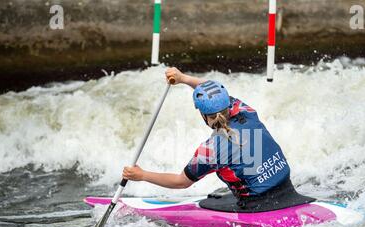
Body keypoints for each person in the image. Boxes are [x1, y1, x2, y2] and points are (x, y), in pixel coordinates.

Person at [122, 67, 297, 210]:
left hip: (258, 206)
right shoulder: (245, 111)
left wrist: (142, 175)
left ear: (204, 115)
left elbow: (181, 182)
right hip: (289, 191)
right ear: (228, 105)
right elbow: (213, 89)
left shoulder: (210, 150)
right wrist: (183, 78)